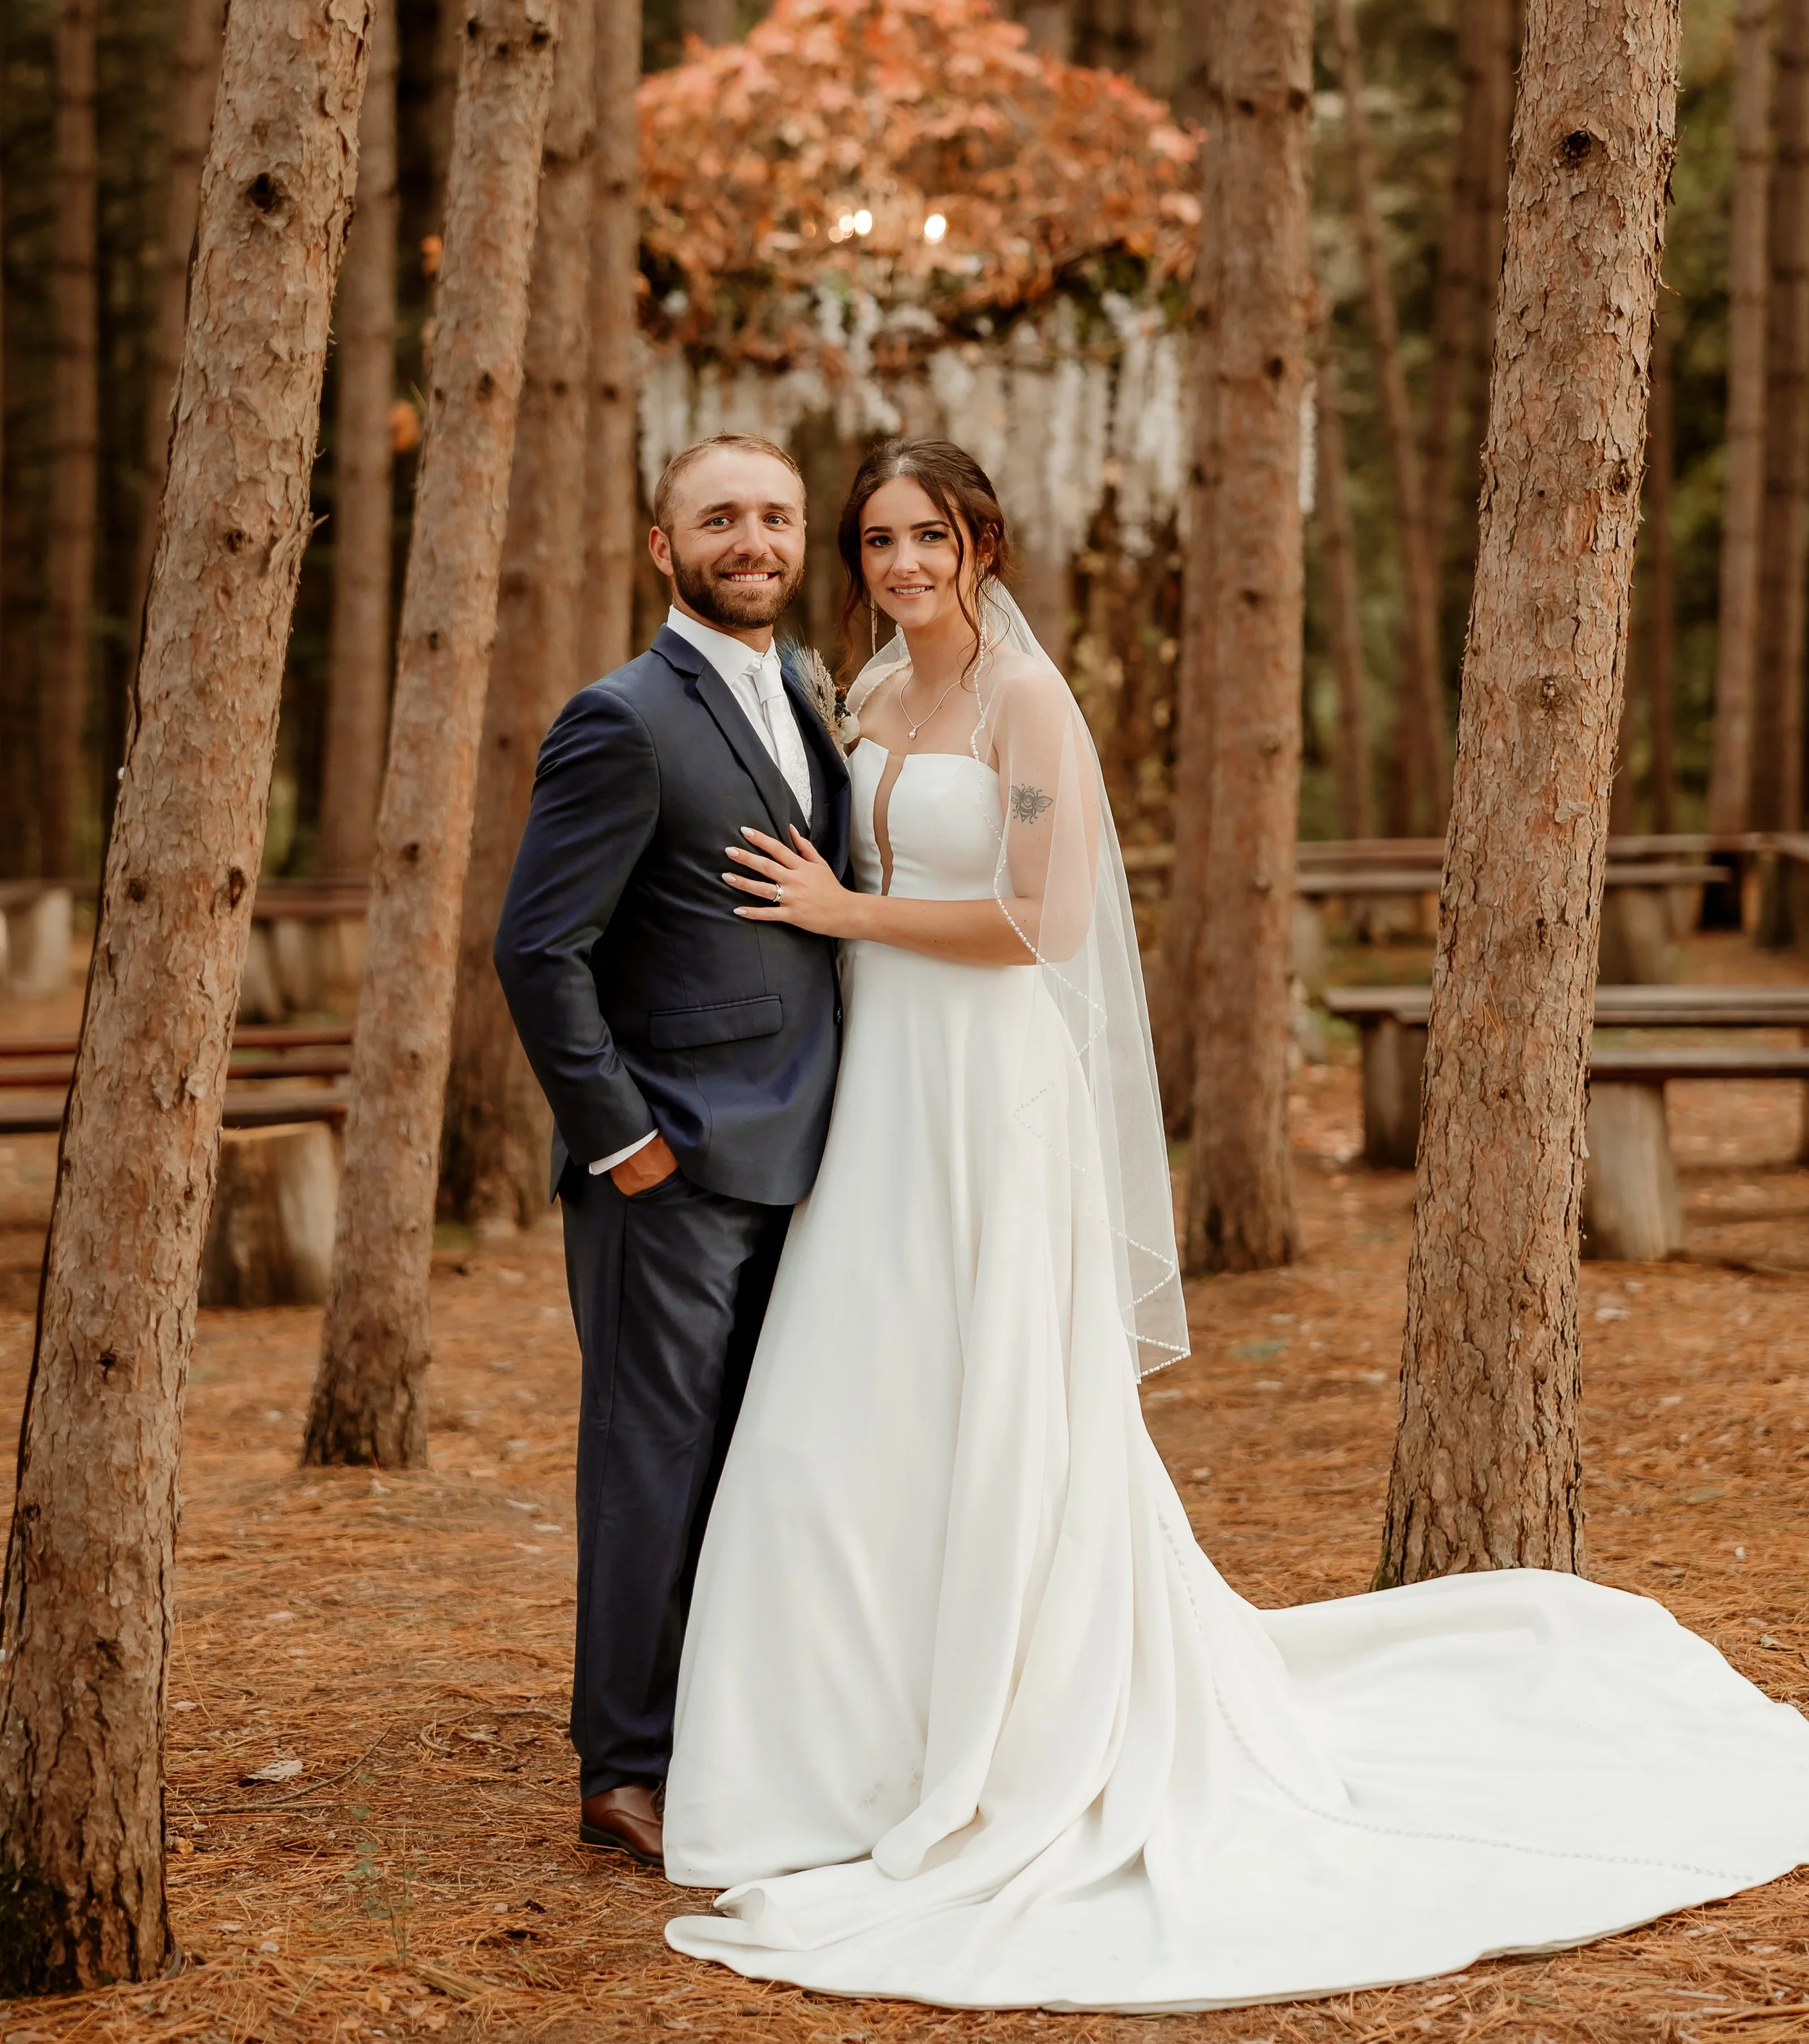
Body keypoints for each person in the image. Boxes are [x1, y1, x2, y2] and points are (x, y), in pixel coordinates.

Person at [660, 436, 1809, 2015]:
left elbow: (1038, 923)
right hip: (884, 1093)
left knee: (1001, 1397)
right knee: (849, 1405)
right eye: (877, 540)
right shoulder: (858, 702)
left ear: (980, 545)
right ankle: (837, 1742)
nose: (902, 563)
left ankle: (1021, 1723)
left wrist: (848, 913)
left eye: (928, 536)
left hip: (991, 1094)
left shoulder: (1022, 702)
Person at [493, 434, 850, 1870]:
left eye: (772, 516)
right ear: (663, 549)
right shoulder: (620, 717)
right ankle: (623, 1765)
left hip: (803, 1154)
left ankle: (724, 1725)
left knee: (753, 1462)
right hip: (674, 1167)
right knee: (650, 1461)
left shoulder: (803, 696)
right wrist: (622, 1141)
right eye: (719, 519)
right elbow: (535, 949)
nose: (749, 539)